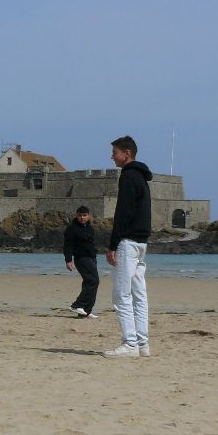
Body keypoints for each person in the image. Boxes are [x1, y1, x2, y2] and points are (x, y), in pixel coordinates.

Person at [103, 135, 153, 359]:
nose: (112, 157)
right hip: (141, 242)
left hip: (129, 242)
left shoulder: (129, 176)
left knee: (121, 295)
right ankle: (142, 343)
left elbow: (123, 212)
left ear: (127, 153)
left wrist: (113, 244)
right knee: (139, 294)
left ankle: (130, 343)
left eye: (115, 152)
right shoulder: (141, 177)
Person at [63, 205, 99, 317]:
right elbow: (67, 245)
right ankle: (77, 305)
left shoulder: (90, 228)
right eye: (80, 215)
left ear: (88, 216)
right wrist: (68, 260)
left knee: (90, 282)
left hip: (91, 258)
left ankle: (86, 311)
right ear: (76, 216)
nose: (82, 217)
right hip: (81, 258)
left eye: (84, 215)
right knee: (93, 281)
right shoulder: (72, 229)